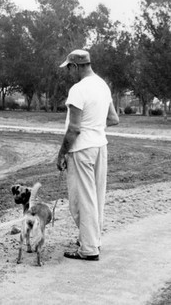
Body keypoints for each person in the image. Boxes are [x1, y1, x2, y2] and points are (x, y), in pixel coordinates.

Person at [56, 49, 119, 261]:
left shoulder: (78, 89)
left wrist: (61, 153)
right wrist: (95, 126)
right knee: (96, 197)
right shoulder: (103, 85)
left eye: (69, 68)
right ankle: (93, 239)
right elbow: (113, 118)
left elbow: (74, 128)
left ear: (76, 66)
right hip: (100, 146)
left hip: (81, 149)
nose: (69, 73)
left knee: (81, 200)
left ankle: (89, 248)